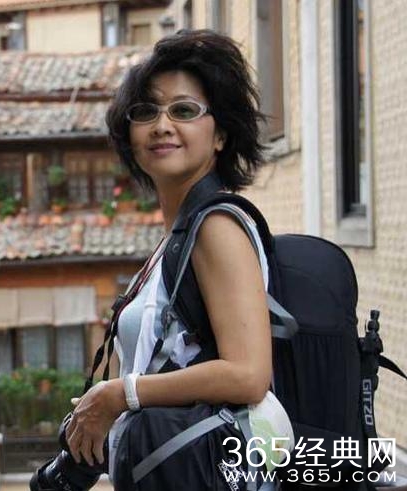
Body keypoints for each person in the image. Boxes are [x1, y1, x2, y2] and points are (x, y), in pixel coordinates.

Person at [64, 29, 292, 485]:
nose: (162, 125)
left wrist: (119, 394)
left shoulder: (215, 227)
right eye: (146, 111)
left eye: (184, 110)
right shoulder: (178, 237)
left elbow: (248, 374)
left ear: (220, 134)